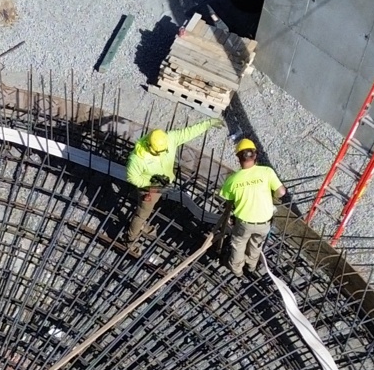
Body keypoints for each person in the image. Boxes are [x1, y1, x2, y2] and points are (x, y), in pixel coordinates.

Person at [122, 118, 222, 251]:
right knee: (141, 214)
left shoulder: (169, 139)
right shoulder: (137, 158)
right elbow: (132, 177)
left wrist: (207, 124)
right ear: (149, 146)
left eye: (164, 150)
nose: (162, 154)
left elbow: (189, 132)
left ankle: (142, 226)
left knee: (150, 209)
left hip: (162, 185)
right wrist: (151, 183)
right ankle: (129, 240)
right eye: (158, 152)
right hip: (149, 190)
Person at [216, 137, 286, 278]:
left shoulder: (233, 179)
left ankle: (237, 270)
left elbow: (227, 198)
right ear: (254, 155)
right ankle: (251, 266)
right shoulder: (266, 172)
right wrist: (272, 196)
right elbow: (281, 192)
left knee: (238, 244)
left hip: (244, 223)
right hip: (264, 223)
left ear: (238, 158)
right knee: (256, 244)